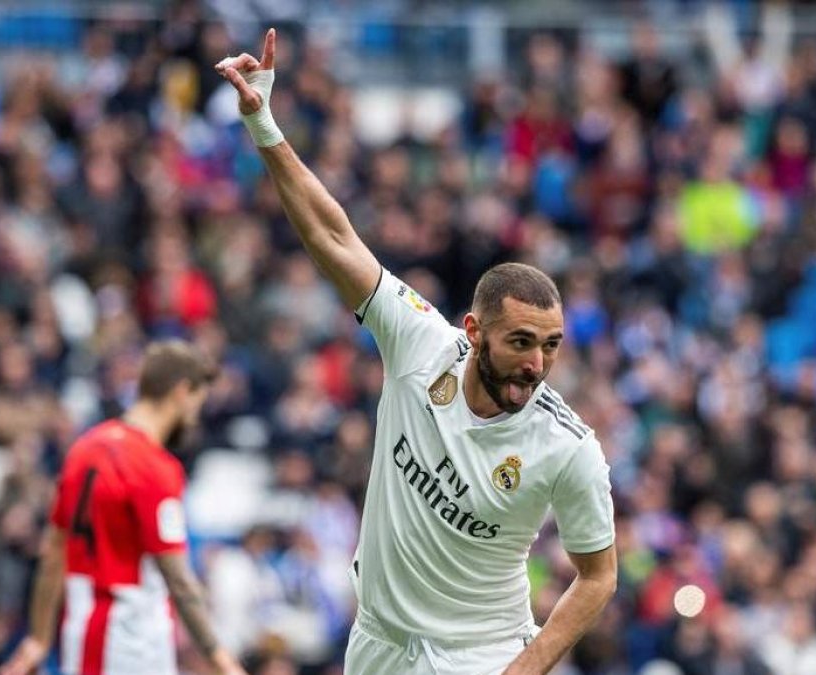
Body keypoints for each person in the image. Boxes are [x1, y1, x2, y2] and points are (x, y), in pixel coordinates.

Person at [216, 29, 618, 675]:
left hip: (480, 658)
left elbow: (598, 576)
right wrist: (264, 124)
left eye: (550, 346)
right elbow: (335, 234)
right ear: (474, 330)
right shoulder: (421, 342)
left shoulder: (569, 448)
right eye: (520, 342)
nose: (536, 364)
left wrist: (525, 666)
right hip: (377, 643)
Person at [0, 340, 246, 675]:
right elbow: (179, 580)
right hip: (130, 636)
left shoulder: (84, 448)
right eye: (197, 402)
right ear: (183, 392)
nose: (194, 416)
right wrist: (220, 659)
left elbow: (54, 552)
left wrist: (39, 639)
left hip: (84, 629)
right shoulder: (154, 467)